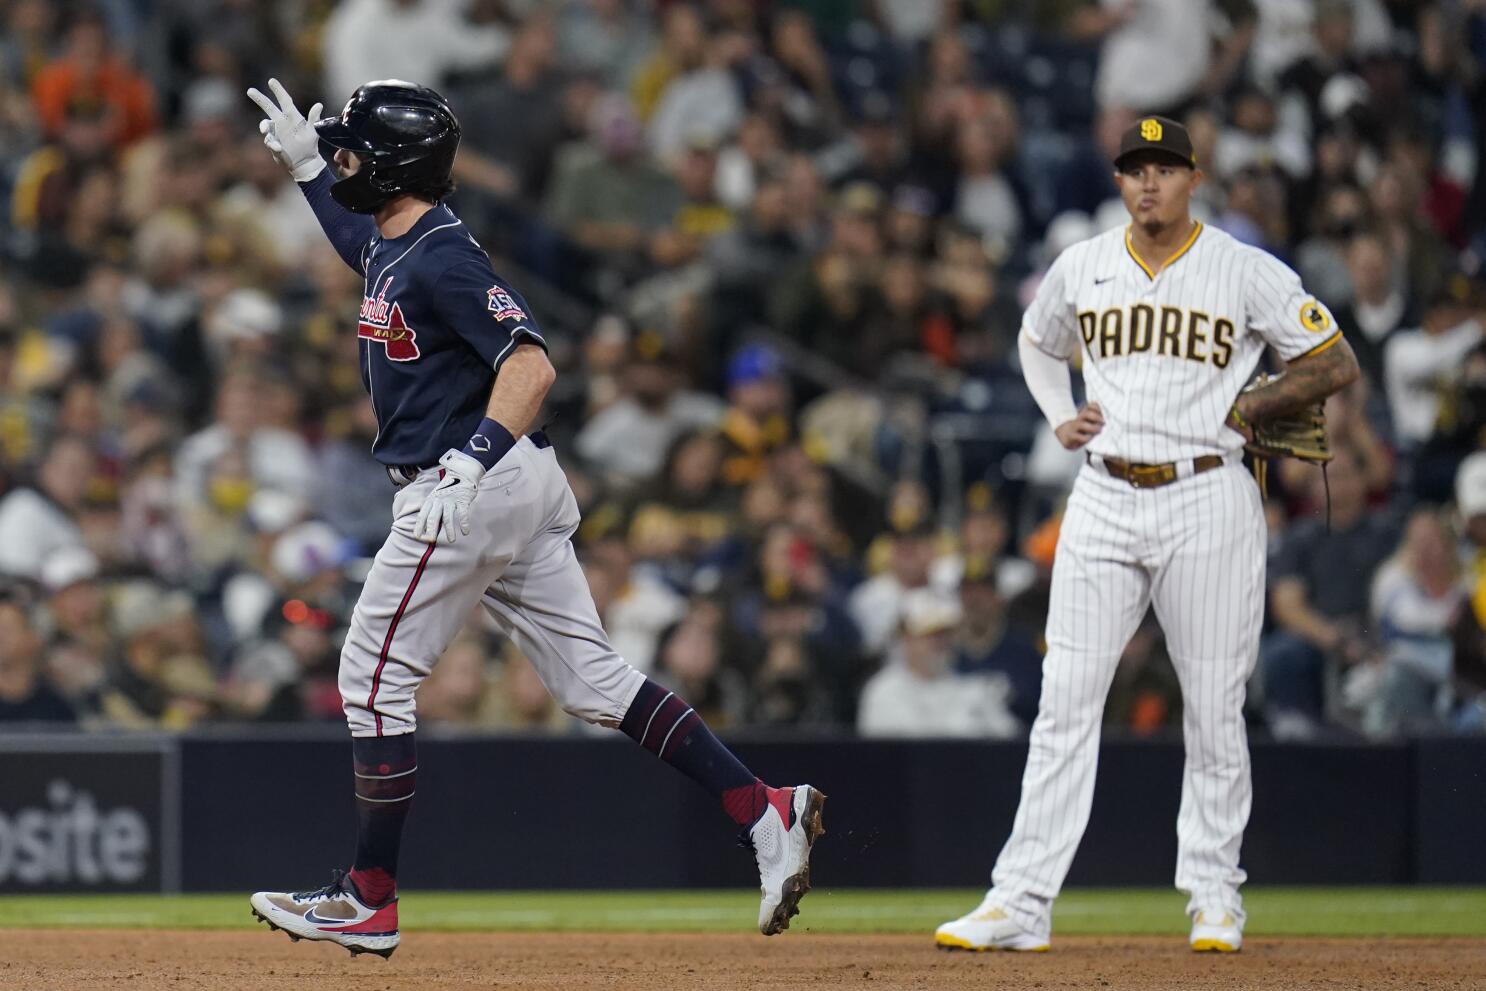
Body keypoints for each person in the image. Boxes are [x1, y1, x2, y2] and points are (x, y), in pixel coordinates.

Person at [243, 78, 824, 958]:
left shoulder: (442, 255)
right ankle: (764, 810)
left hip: (471, 477)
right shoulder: (402, 240)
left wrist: (467, 463)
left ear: (396, 168)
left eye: (355, 151)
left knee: (369, 674)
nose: (343, 158)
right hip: (513, 480)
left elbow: (532, 366)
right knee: (592, 681)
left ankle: (369, 896)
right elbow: (360, 239)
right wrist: (307, 173)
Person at [935, 116, 1359, 955]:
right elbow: (1033, 339)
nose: (1149, 182)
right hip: (1103, 495)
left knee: (1212, 703)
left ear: (1193, 178)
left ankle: (1214, 895)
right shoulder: (1084, 263)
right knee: (1064, 702)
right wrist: (1060, 415)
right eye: (1135, 168)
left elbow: (1332, 358)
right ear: (1121, 181)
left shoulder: (1241, 268)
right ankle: (1020, 900)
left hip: (1209, 496)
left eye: (1164, 167)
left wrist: (1255, 404)